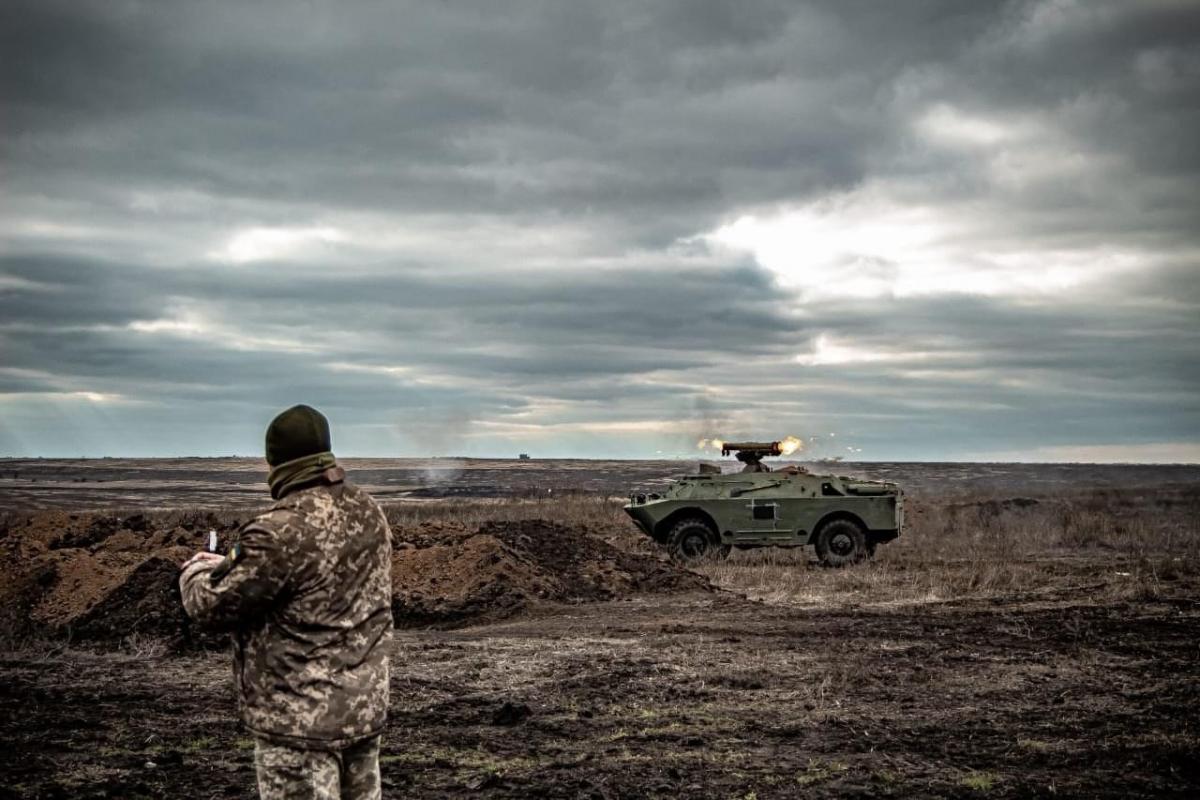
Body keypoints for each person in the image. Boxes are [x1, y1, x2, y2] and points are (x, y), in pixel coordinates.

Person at [179, 404, 393, 800]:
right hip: (361, 712)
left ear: (276, 461)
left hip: (301, 724)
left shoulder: (279, 530)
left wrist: (195, 570)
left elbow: (210, 605)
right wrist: (233, 563)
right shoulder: (368, 511)